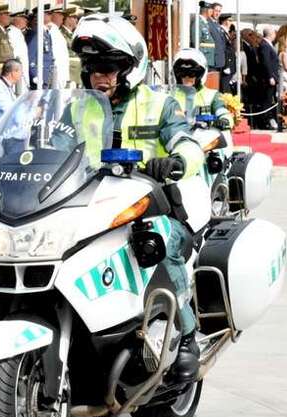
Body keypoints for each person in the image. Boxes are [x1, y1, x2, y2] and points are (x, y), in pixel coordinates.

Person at [72, 13, 206, 384]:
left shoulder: (159, 104)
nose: (99, 76)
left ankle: (186, 335)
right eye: (93, 68)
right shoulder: (77, 107)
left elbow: (188, 143)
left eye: (108, 68)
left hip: (151, 207)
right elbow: (52, 144)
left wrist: (176, 161)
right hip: (91, 208)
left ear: (130, 69)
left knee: (158, 244)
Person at [172, 48, 233, 129]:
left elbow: (222, 111)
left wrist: (224, 120)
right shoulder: (169, 96)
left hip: (204, 135)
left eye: (192, 73)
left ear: (201, 74)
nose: (187, 77)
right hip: (174, 135)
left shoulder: (212, 95)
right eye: (182, 73)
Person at [26, 5, 53, 89]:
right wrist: (34, 75)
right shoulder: (36, 33)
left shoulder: (45, 32)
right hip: (39, 76)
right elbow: (31, 56)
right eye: (48, 13)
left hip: (46, 75)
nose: (51, 15)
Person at [258, 26, 279, 130]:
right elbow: (266, 62)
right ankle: (265, 122)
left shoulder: (268, 44)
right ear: (270, 34)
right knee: (266, 101)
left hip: (273, 76)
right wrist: (270, 76)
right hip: (268, 78)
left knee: (270, 100)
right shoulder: (264, 45)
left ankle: (269, 120)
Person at [47, 5, 69, 88]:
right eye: (60, 14)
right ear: (52, 15)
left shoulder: (56, 30)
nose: (62, 17)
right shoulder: (50, 30)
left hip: (60, 73)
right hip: (56, 73)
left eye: (62, 15)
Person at [7, 8, 29, 89]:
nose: (25, 20)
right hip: (15, 71)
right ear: (14, 19)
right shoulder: (11, 32)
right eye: (22, 18)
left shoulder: (19, 32)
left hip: (22, 72)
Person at [61, 6, 81, 86]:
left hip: (75, 72)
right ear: (68, 19)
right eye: (74, 17)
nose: (77, 20)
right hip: (69, 72)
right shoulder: (61, 33)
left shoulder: (72, 33)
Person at [194, 1, 215, 69]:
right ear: (207, 10)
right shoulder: (198, 23)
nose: (212, 12)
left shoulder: (205, 23)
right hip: (203, 58)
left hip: (208, 58)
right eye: (211, 10)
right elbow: (196, 43)